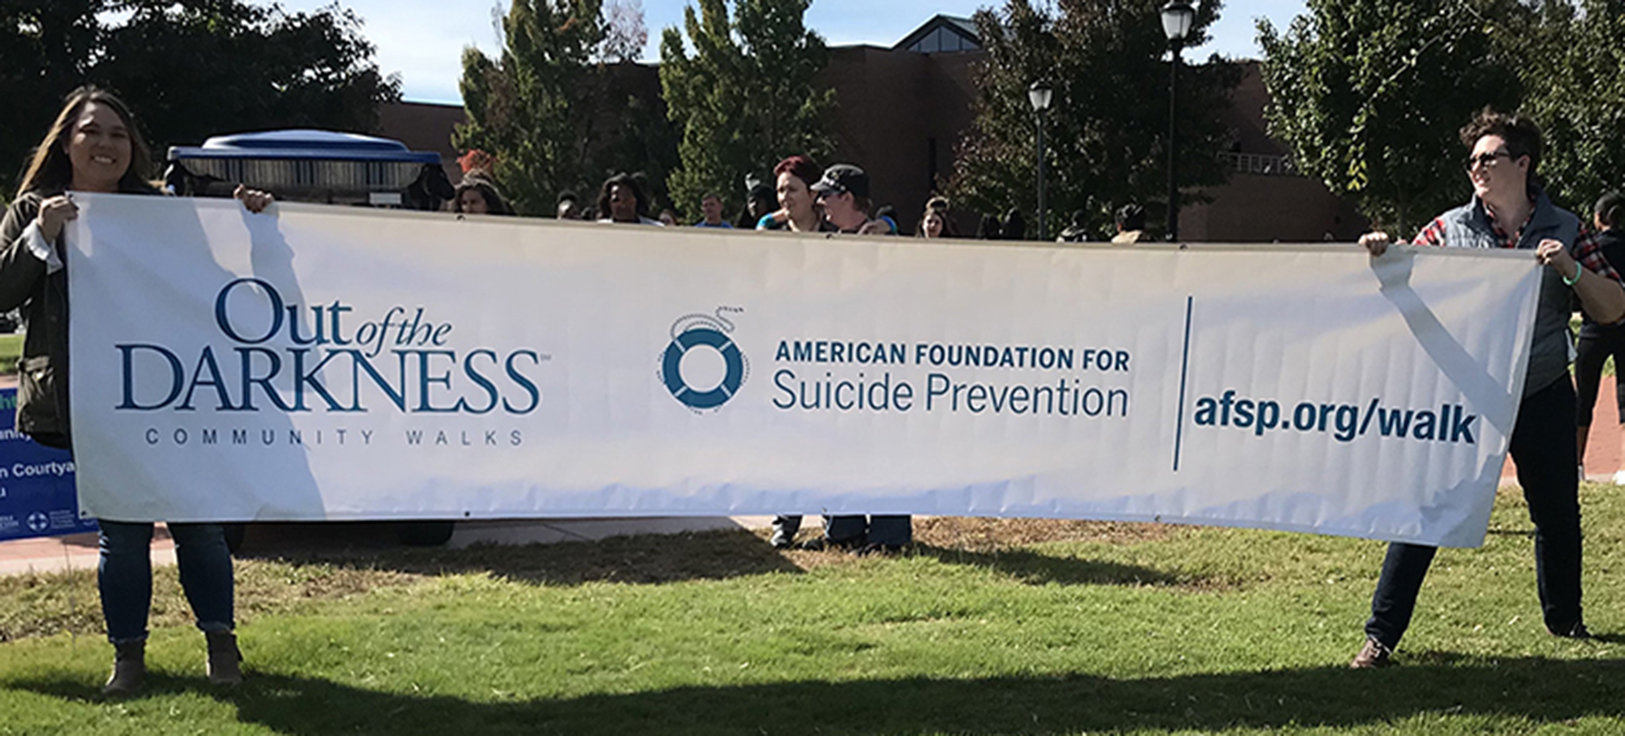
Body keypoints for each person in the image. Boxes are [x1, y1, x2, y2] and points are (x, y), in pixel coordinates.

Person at [0, 86, 275, 695]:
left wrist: (250, 225)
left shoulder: (162, 211)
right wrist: (41, 236)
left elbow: (211, 286)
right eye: (91, 131)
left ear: (132, 147)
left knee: (198, 524)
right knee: (123, 531)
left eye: (118, 134)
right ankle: (128, 659)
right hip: (90, 402)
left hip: (171, 392)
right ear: (66, 143)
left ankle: (222, 647)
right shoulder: (32, 211)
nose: (105, 144)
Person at [1350, 108, 1624, 669]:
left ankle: (1566, 622)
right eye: (1472, 160)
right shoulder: (1448, 229)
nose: (1476, 167)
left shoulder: (1568, 230)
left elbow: (1614, 307)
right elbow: (1401, 276)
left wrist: (1571, 269)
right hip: (1464, 395)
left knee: (1556, 513)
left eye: (1488, 158)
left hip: (1542, 390)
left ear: (1522, 164)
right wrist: (1382, 251)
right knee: (1425, 512)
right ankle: (1380, 637)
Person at [807, 162, 912, 554]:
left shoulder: (883, 242)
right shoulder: (828, 243)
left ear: (847, 198)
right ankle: (843, 529)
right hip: (836, 363)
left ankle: (889, 535)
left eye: (827, 195)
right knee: (835, 444)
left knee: (884, 447)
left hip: (881, 365)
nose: (820, 202)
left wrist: (889, 227)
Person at [1574, 191, 1625, 482]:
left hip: (1594, 328)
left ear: (1598, 217)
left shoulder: (1593, 247)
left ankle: (1577, 464)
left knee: (1584, 398)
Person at [756, 156, 833, 233]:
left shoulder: (834, 229)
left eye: (792, 190)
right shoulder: (771, 231)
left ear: (813, 193)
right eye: (781, 190)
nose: (784, 197)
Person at [595, 173, 661, 225]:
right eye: (616, 200)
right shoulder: (598, 229)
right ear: (609, 203)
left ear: (635, 201)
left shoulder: (656, 229)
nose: (623, 205)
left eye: (626, 200)